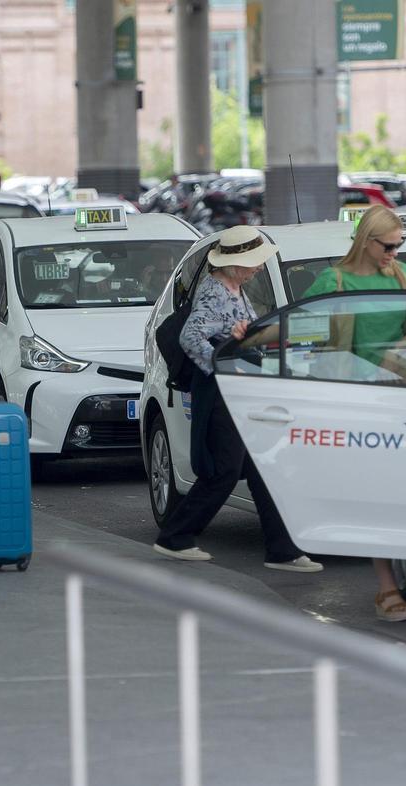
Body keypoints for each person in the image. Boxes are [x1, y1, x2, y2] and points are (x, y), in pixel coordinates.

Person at [152, 225, 322, 573]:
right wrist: (221, 369)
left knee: (259, 468)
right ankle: (176, 536)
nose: (259, 267)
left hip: (235, 394)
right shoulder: (216, 291)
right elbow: (191, 337)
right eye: (254, 262)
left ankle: (281, 549)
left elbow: (228, 332)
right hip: (221, 395)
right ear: (234, 265)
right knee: (225, 471)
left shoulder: (232, 287)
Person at [302, 205, 406, 622]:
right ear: (366, 241)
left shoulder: (403, 275)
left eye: (399, 245)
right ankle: (388, 587)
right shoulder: (333, 280)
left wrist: (392, 356)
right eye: (389, 246)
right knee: (378, 491)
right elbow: (302, 327)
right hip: (352, 400)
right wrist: (249, 338)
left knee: (401, 490)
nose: (395, 252)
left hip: (398, 396)